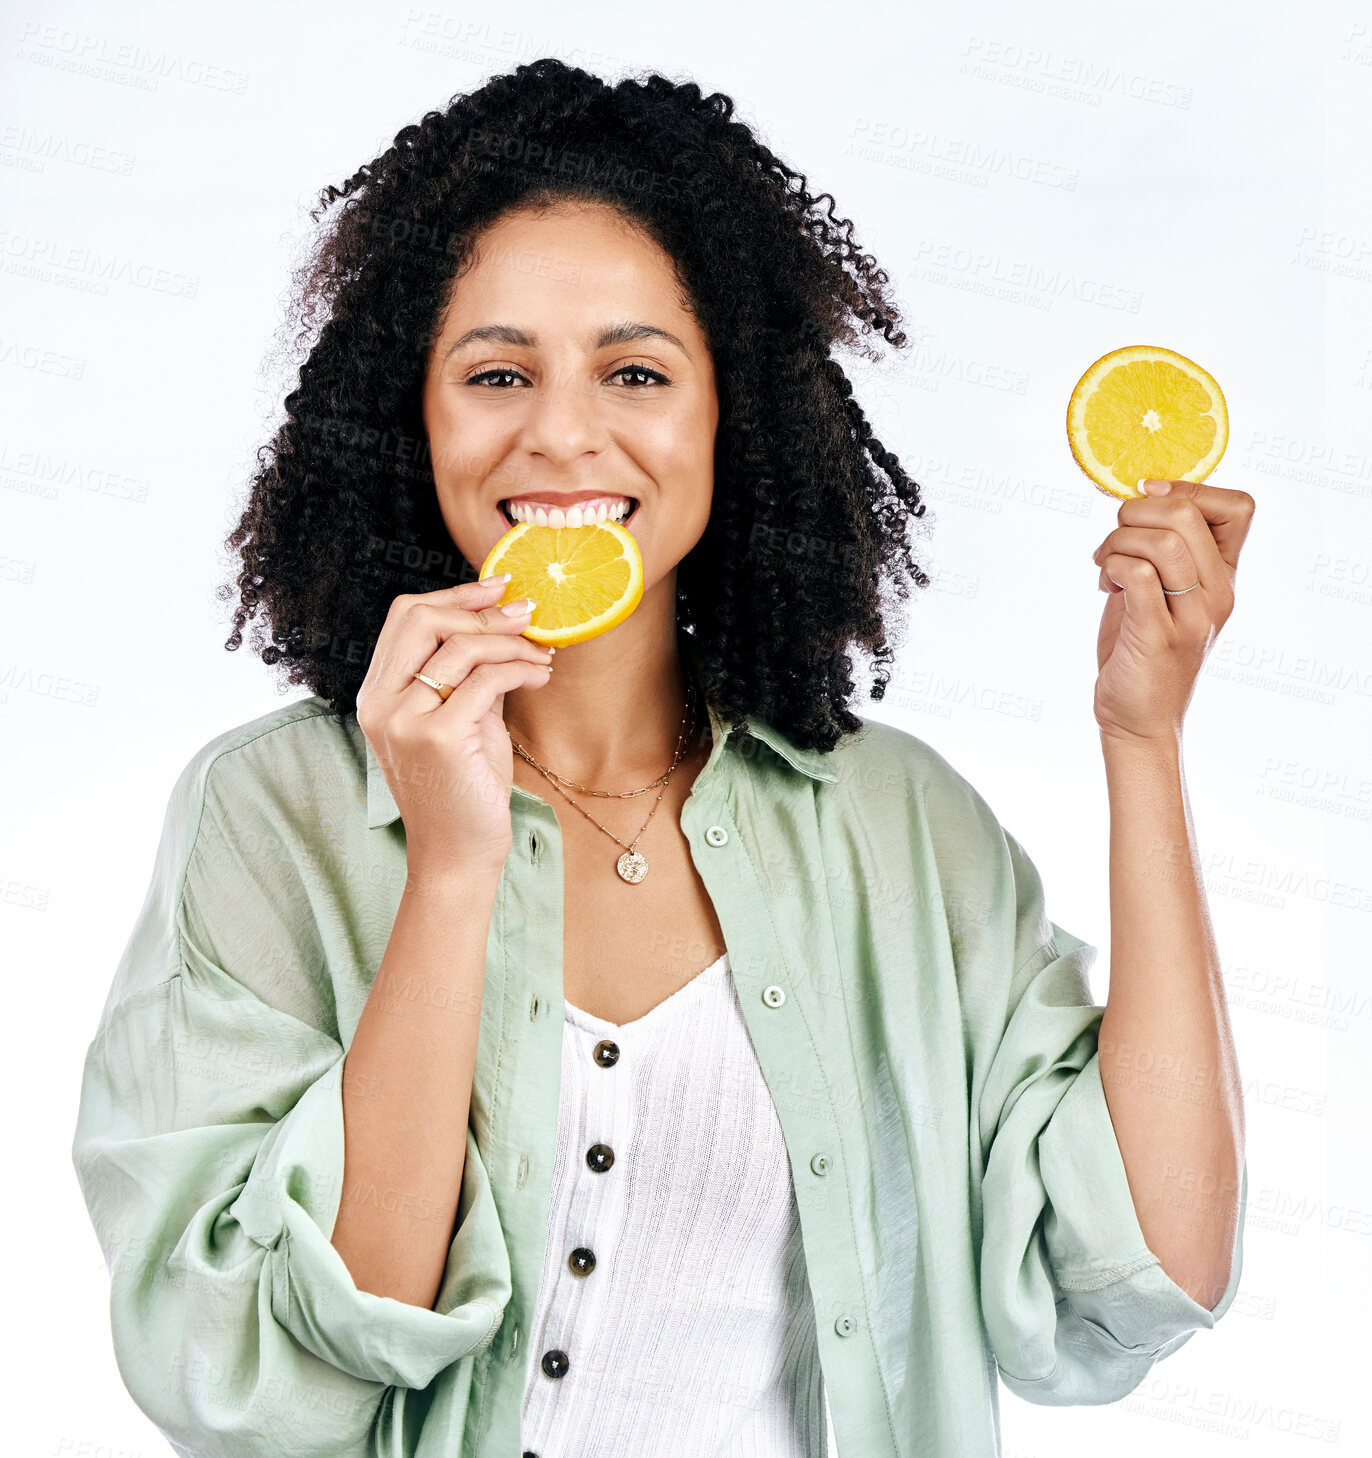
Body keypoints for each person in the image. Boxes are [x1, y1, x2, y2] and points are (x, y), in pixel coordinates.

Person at [71, 58, 1251, 1458]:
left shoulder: (906, 828)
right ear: (414, 415)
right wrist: (452, 869)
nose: (564, 431)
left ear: (726, 417)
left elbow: (1143, 1271)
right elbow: (275, 1372)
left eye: (636, 370)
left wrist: (1144, 739)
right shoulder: (271, 814)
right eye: (496, 372)